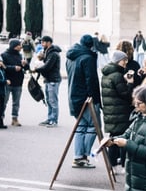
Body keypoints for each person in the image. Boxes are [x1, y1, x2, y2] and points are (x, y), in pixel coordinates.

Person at [66, 34, 103, 168]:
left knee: (81, 126)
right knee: (94, 126)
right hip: (86, 98)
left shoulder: (71, 56)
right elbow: (91, 80)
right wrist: (96, 100)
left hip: (74, 96)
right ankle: (84, 155)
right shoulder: (88, 58)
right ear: (91, 45)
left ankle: (78, 156)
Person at [100, 50, 134, 172]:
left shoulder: (107, 73)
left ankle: (112, 165)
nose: (126, 62)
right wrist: (130, 84)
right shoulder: (117, 75)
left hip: (111, 112)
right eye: (124, 60)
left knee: (113, 138)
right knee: (122, 139)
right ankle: (124, 165)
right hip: (120, 112)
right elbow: (125, 94)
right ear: (118, 61)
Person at [33, 35, 62, 127]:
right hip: (48, 79)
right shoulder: (47, 52)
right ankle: (50, 118)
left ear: (49, 42)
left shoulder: (53, 54)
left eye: (43, 42)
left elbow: (47, 67)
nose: (42, 44)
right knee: (49, 101)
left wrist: (36, 69)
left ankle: (54, 120)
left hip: (53, 80)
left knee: (53, 101)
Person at [0, 38, 26, 127]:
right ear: (14, 46)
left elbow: (26, 68)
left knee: (16, 102)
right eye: (19, 45)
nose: (21, 47)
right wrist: (13, 68)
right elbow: (3, 67)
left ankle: (14, 118)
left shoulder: (20, 55)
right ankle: (0, 117)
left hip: (18, 82)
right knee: (4, 101)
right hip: (8, 81)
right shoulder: (4, 55)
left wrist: (25, 64)